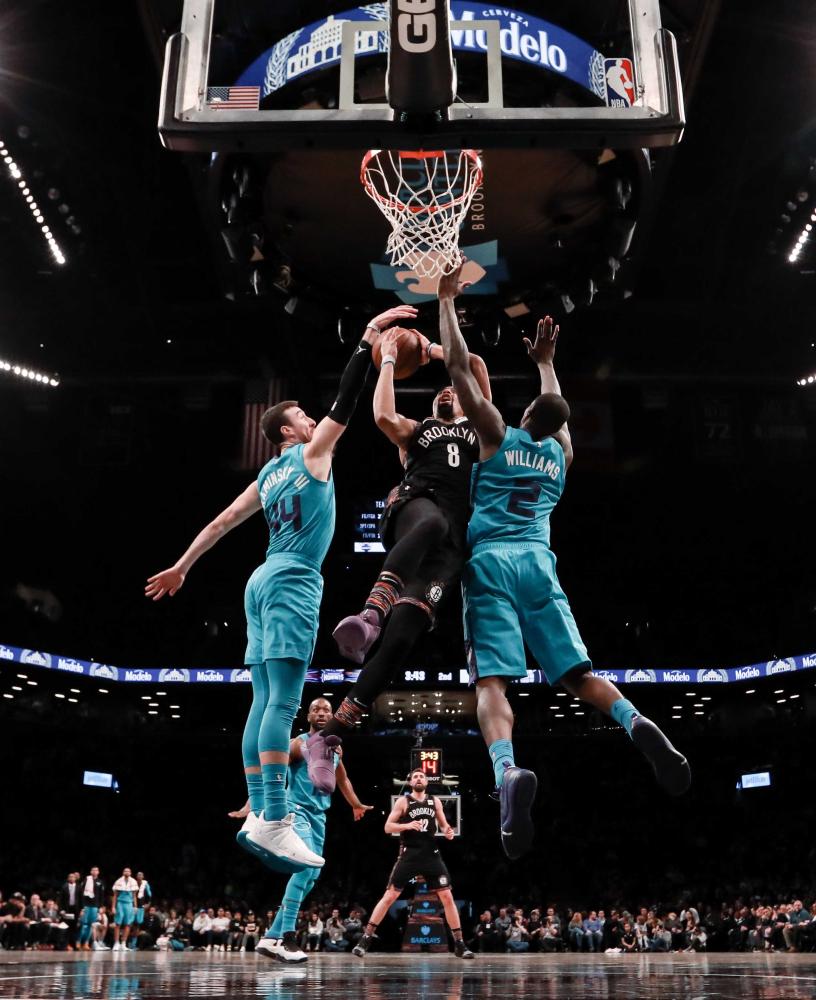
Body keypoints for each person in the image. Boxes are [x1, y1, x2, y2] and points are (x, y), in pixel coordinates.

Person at [146, 305, 416, 870]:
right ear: (290, 432)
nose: (315, 418)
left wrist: (183, 566)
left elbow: (220, 524)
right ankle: (273, 817)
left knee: (262, 702)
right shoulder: (313, 455)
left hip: (259, 581)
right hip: (292, 578)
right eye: (303, 415)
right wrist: (368, 340)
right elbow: (347, 400)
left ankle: (261, 813)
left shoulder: (267, 477)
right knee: (285, 703)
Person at [436, 263, 691, 859]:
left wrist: (447, 302)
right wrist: (547, 362)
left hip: (490, 563)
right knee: (579, 676)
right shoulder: (561, 455)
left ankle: (506, 773)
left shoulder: (498, 433)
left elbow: (455, 367)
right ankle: (636, 723)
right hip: (539, 564)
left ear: (526, 415)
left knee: (492, 683)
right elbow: (560, 413)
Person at [327, 327, 490, 736]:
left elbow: (474, 365)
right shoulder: (416, 430)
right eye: (441, 394)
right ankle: (370, 614)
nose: (447, 392)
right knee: (432, 521)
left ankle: (339, 721)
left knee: (404, 635)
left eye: (452, 391)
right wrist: (386, 361)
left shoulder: (480, 429)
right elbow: (382, 415)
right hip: (415, 510)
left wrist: (435, 350)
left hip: (451, 547)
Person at [232, 697, 372, 964]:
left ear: (333, 716)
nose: (321, 713)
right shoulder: (298, 744)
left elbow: (342, 779)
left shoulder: (334, 748)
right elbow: (269, 772)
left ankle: (269, 938)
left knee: (311, 876)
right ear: (308, 716)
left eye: (326, 710)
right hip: (296, 812)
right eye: (316, 709)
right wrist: (250, 804)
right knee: (304, 869)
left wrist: (355, 804)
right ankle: (287, 936)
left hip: (319, 816)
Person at [352, 768, 473, 960]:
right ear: (410, 783)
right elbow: (387, 827)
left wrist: (448, 830)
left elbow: (443, 825)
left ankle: (459, 943)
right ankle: (365, 939)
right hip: (409, 854)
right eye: (415, 776)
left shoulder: (435, 801)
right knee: (390, 895)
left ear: (426, 782)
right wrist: (406, 825)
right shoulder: (403, 801)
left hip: (431, 855)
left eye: (421, 776)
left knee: (447, 897)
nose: (418, 778)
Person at [77, 867, 106, 952]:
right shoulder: (86, 880)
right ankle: (78, 941)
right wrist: (81, 907)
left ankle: (86, 943)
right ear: (90, 871)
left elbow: (102, 896)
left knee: (91, 925)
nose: (94, 871)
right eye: (93, 870)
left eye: (96, 870)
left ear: (98, 872)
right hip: (86, 905)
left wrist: (100, 907)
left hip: (95, 906)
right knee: (83, 924)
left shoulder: (100, 882)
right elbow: (81, 894)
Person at [111, 867, 138, 951]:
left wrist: (135, 906)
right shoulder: (118, 881)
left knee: (128, 924)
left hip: (129, 904)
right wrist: (113, 907)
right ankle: (116, 943)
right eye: (125, 871)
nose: (127, 872)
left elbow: (134, 896)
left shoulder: (133, 881)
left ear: (130, 873)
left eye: (128, 871)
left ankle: (123, 943)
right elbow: (115, 896)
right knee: (118, 923)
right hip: (120, 904)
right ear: (123, 872)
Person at [130, 872, 152, 949]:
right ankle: (127, 942)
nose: (139, 876)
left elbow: (149, 895)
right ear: (136, 876)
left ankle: (133, 944)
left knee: (137, 925)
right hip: (132, 907)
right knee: (130, 924)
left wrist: (148, 904)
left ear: (143, 876)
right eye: (138, 875)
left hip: (141, 907)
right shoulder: (133, 883)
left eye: (141, 875)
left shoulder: (145, 884)